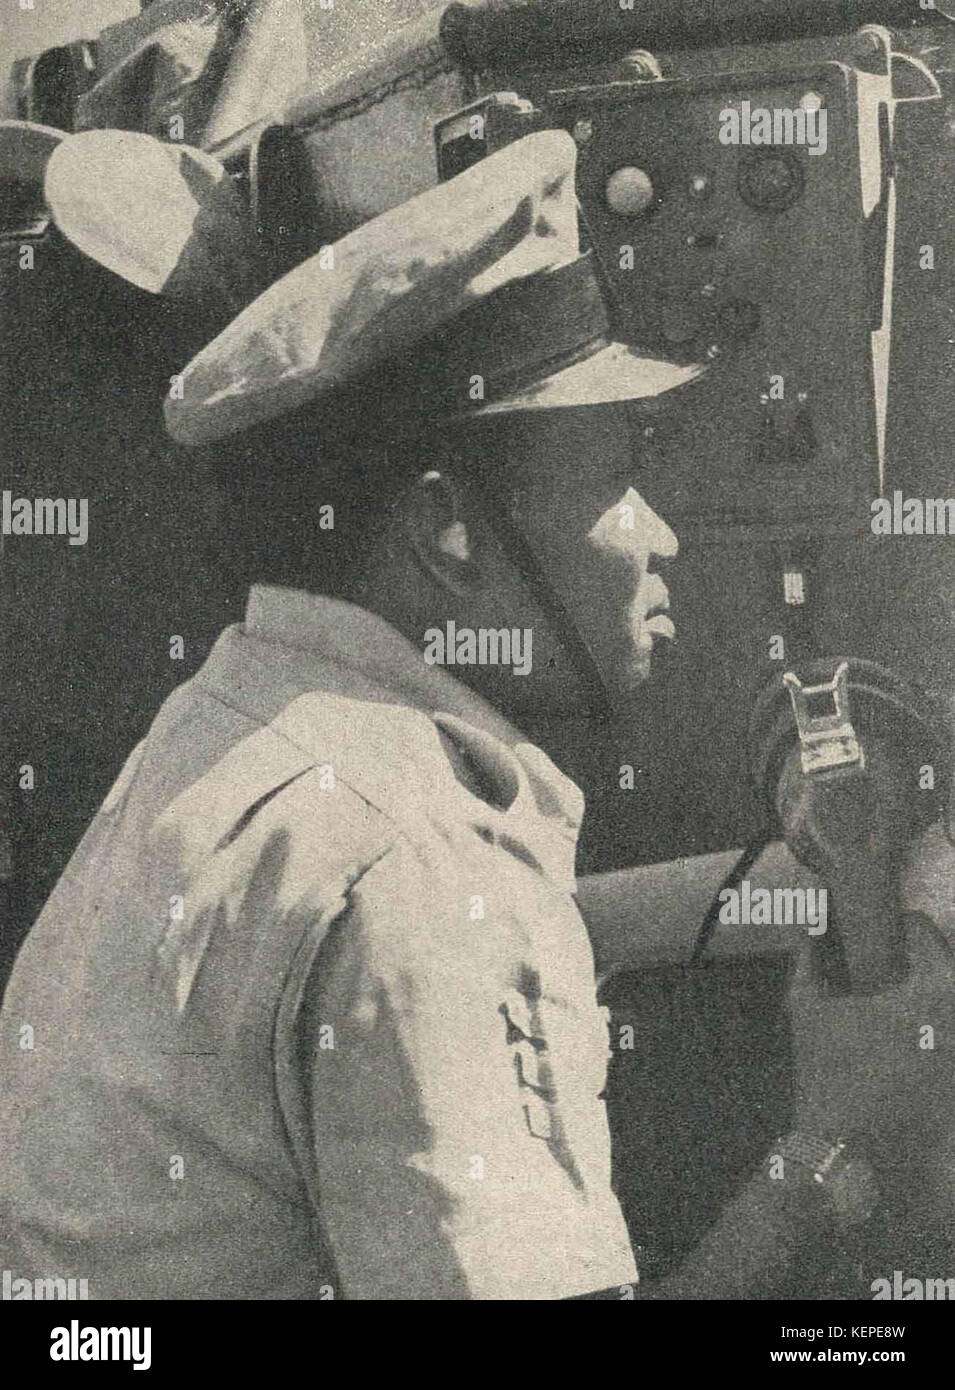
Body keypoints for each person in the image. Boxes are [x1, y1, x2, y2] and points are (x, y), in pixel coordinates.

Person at [2, 129, 954, 1301]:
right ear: (449, 534)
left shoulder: (250, 721)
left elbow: (475, 934)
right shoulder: (418, 867)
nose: (659, 534)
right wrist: (834, 1145)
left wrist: (846, 873)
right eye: (616, 474)